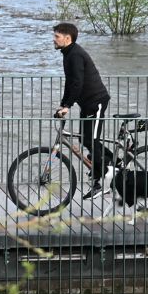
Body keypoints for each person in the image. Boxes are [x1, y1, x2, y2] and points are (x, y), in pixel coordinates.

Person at [52, 22, 111, 192]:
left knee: (91, 141)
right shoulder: (68, 53)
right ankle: (111, 163)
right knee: (85, 140)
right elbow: (70, 83)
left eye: (57, 36)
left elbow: (78, 82)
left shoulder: (75, 54)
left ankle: (102, 180)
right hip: (86, 104)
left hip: (97, 101)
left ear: (67, 38)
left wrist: (68, 106)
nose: (54, 40)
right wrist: (63, 104)